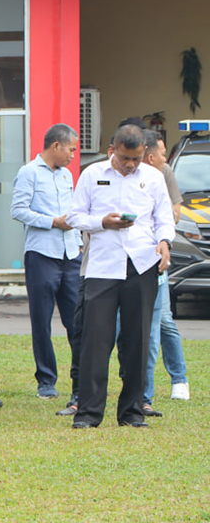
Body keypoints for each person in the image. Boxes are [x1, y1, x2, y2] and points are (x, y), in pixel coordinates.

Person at [66, 124, 174, 429]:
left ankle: (132, 412)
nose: (130, 165)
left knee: (138, 340)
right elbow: (74, 216)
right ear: (113, 149)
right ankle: (88, 413)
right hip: (103, 266)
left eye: (137, 159)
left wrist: (164, 242)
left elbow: (164, 218)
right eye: (126, 158)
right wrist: (102, 222)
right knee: (95, 341)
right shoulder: (92, 174)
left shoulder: (153, 178)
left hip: (141, 264)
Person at [11, 123, 82, 401]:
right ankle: (46, 380)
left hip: (70, 255)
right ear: (56, 146)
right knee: (42, 322)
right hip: (42, 255)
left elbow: (73, 210)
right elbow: (18, 210)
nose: (73, 155)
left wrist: (76, 240)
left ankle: (81, 378)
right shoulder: (28, 173)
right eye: (71, 149)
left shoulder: (66, 176)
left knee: (77, 321)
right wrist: (52, 222)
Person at [140, 130, 190, 412]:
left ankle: (178, 379)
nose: (164, 158)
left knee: (163, 322)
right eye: (160, 153)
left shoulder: (164, 173)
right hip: (133, 262)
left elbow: (174, 213)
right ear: (149, 155)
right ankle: (139, 389)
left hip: (158, 256)